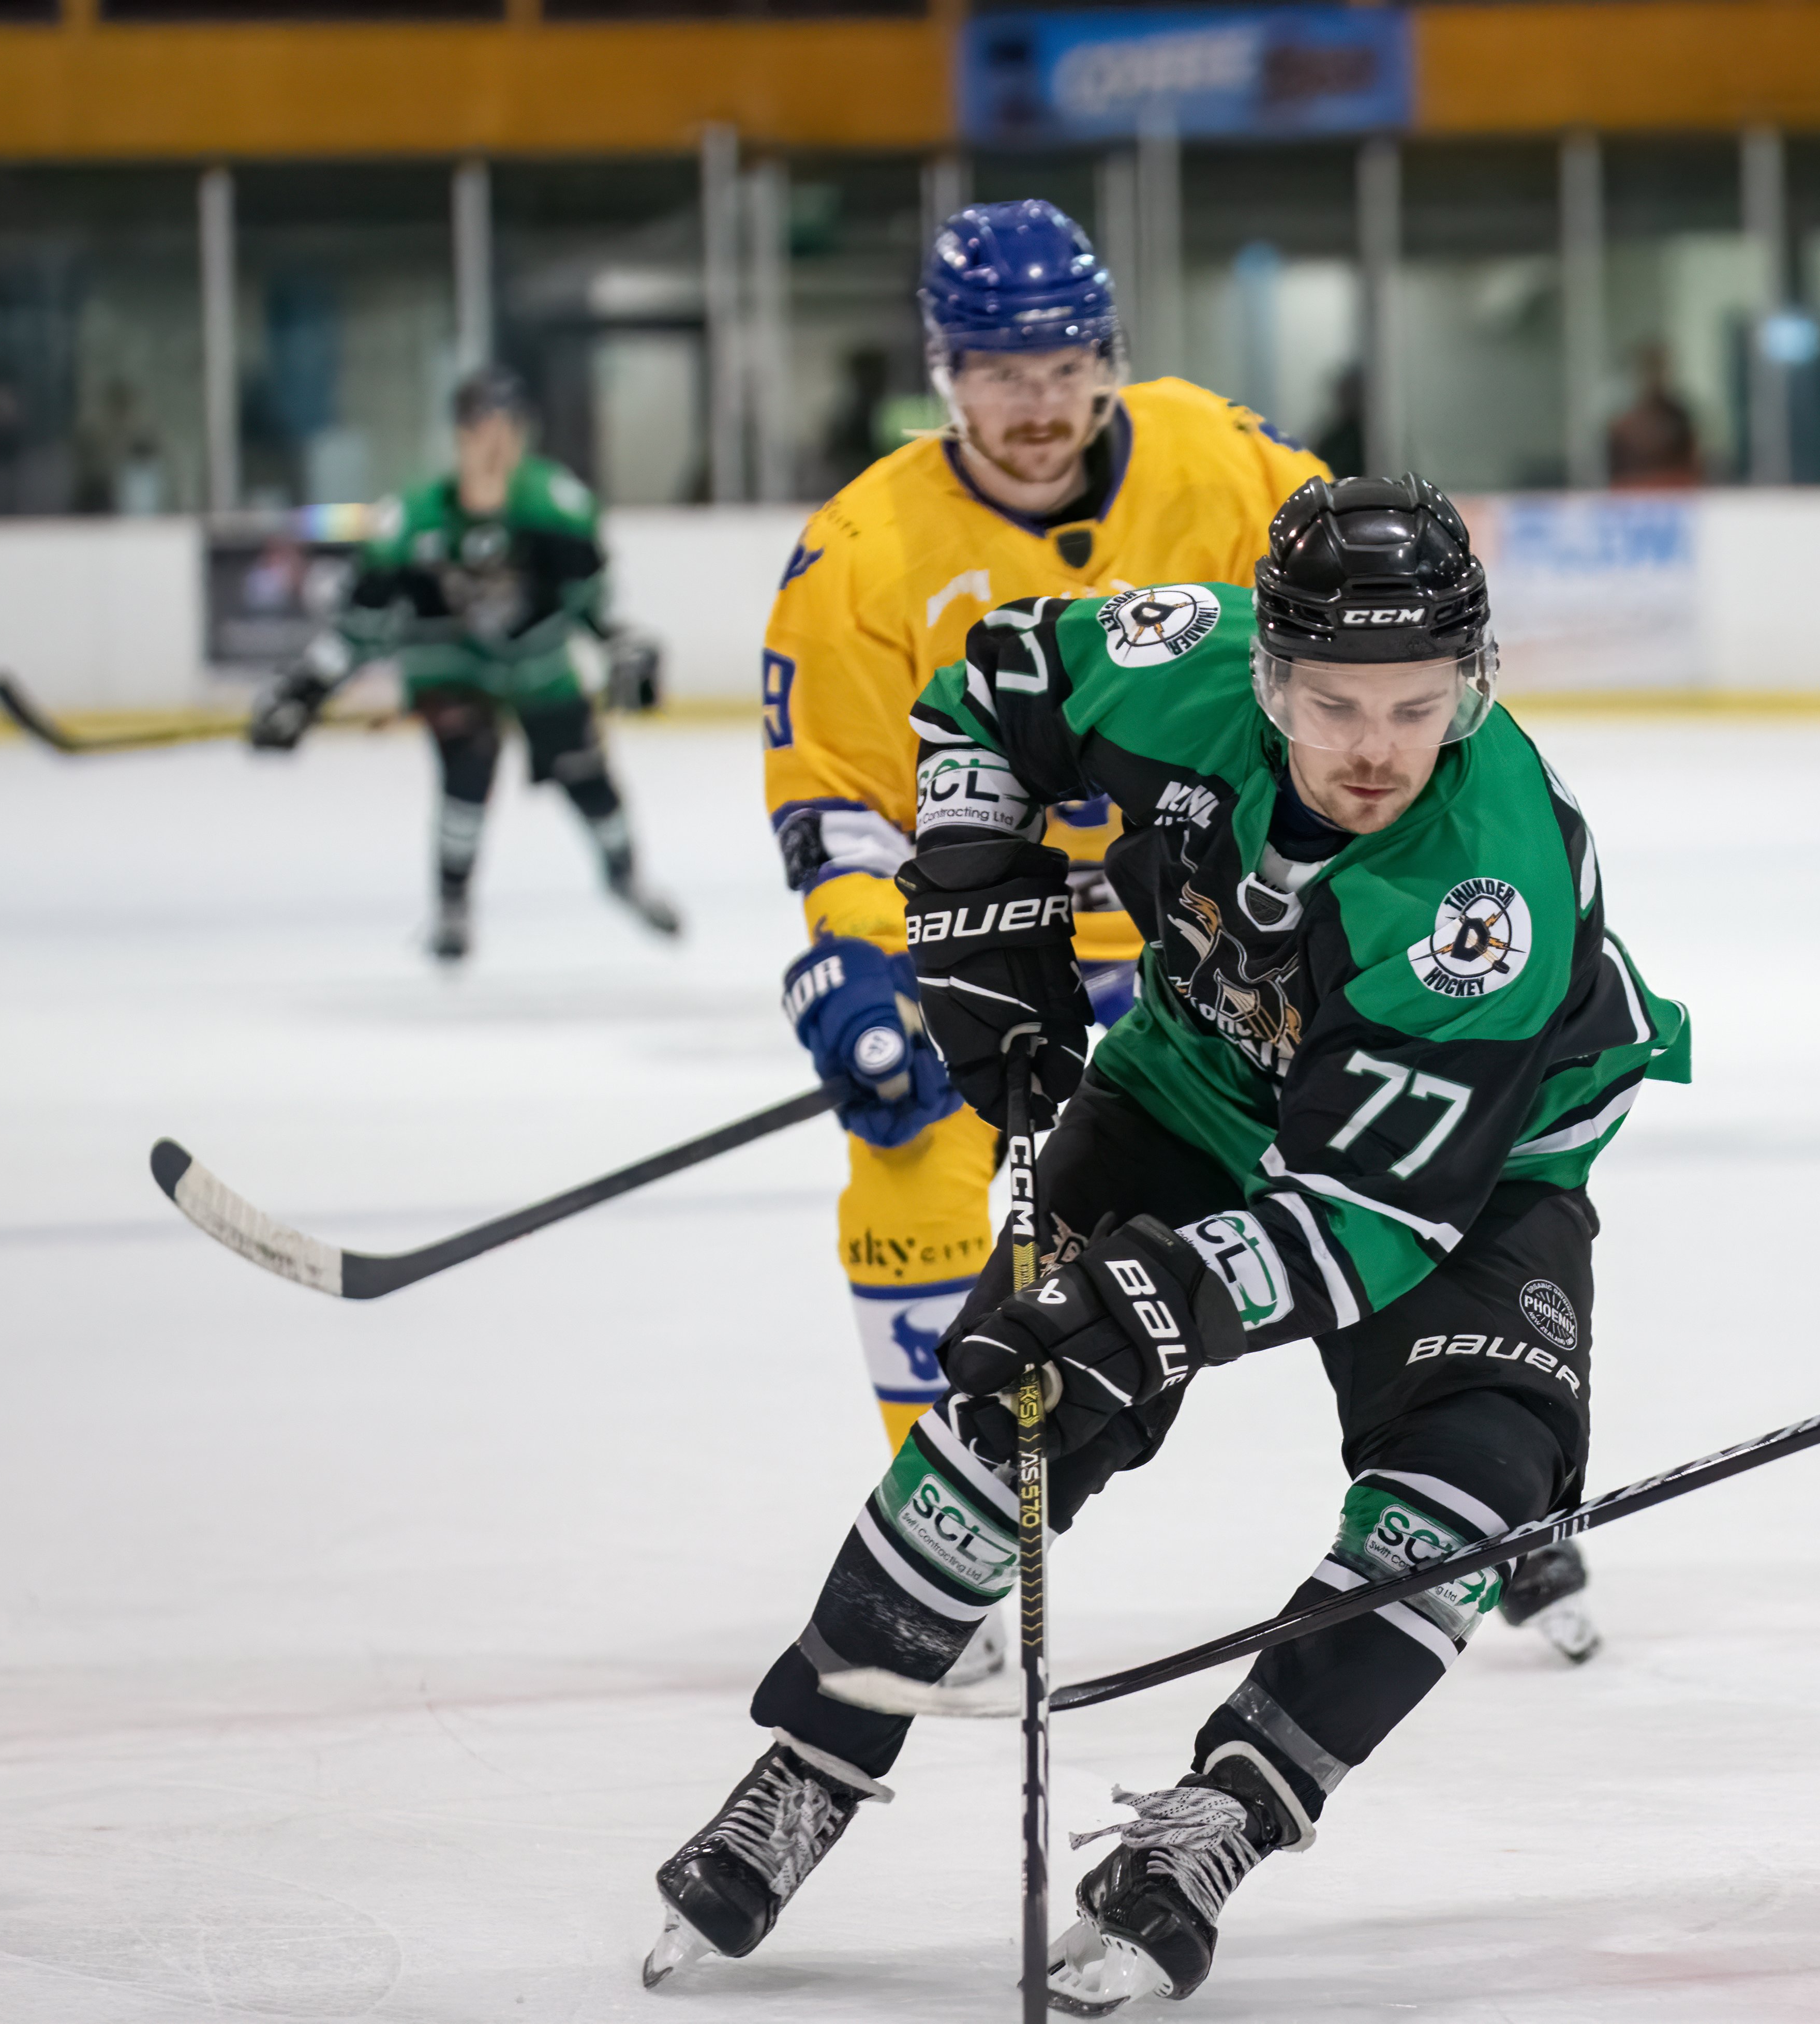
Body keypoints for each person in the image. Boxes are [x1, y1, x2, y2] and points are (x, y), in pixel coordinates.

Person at [645, 477, 1692, 2004]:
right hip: (1198, 1077)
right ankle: (813, 1755)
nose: (1375, 748)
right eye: (1333, 702)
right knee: (1010, 1405)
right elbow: (996, 680)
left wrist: (1147, 1307)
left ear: (1476, 685)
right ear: (1266, 671)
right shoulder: (1175, 659)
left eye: (1417, 706)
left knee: (1475, 1474)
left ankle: (1222, 1816)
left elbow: (1364, 1219)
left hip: (1468, 1164)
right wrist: (976, 908)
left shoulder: (1486, 894)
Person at [754, 203, 1624, 1674]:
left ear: (1108, 358)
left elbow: (1365, 631)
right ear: (939, 372)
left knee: (1416, 1153)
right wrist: (862, 957)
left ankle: (1487, 1468)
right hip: (1003, 906)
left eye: (1064, 362)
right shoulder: (860, 548)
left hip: (1255, 910)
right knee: (904, 1142)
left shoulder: (1223, 460)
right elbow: (841, 796)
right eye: (995, 370)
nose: (1035, 404)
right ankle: (970, 1513)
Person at [249, 365, 677, 963]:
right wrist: (303, 691)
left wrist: (625, 650)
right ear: (459, 436)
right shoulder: (412, 522)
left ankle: (625, 876)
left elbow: (595, 607)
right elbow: (362, 631)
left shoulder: (558, 508)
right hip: (452, 671)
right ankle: (452, 905)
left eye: (509, 427)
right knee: (467, 771)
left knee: (589, 779)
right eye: (482, 427)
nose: (497, 442)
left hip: (538, 666)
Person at [1605, 341, 1701, 489]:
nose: (1655, 376)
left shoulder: (1679, 417)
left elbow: (1693, 467)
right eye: (1650, 369)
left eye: (1660, 368)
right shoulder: (1624, 424)